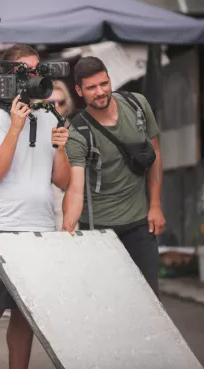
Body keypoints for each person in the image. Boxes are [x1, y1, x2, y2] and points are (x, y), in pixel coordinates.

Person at [0, 44, 71, 369]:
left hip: (41, 230)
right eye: (26, 70)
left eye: (37, 69)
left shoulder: (50, 115)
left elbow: (62, 182)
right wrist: (14, 126)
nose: (34, 75)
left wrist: (62, 148)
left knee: (25, 314)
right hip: (4, 231)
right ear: (8, 74)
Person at [62, 56, 165, 297]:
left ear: (110, 81)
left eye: (104, 84)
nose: (100, 92)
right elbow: (75, 189)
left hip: (139, 221)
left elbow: (155, 154)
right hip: (99, 229)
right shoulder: (78, 133)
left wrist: (157, 205)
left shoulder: (137, 105)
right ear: (79, 91)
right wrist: (67, 230)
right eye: (91, 87)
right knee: (108, 302)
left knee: (149, 300)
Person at [43, 80, 75, 231]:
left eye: (60, 102)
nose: (55, 107)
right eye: (50, 103)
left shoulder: (76, 131)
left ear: (67, 104)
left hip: (67, 195)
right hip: (39, 197)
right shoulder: (33, 128)